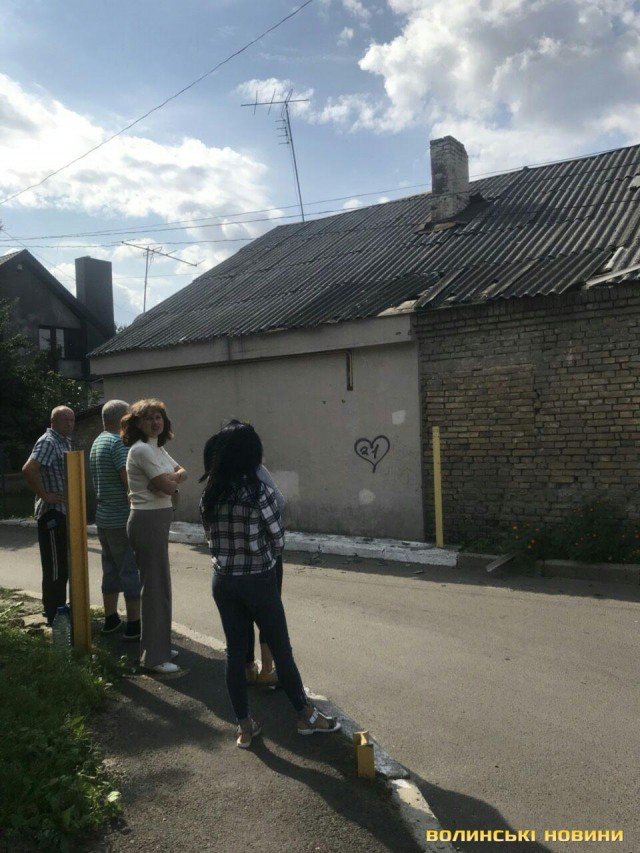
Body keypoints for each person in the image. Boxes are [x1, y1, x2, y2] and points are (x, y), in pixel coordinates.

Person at [200, 420, 340, 748]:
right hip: (258, 579)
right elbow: (277, 539)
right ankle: (305, 716)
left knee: (235, 653)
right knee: (281, 648)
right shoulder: (257, 491)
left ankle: (244, 726)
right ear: (252, 453)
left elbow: (208, 536)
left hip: (223, 580)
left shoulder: (211, 492)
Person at [201, 422, 285, 686]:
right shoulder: (256, 476)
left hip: (225, 570)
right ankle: (268, 669)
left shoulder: (214, 480)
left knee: (237, 623)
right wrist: (270, 552)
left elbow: (208, 531)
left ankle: (247, 669)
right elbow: (279, 511)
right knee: (269, 619)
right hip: (261, 565)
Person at [121, 399, 187, 675]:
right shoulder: (141, 450)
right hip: (147, 520)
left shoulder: (156, 448)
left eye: (158, 417)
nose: (155, 422)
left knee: (161, 585)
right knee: (154, 587)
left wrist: (168, 481)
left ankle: (160, 646)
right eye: (148, 418)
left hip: (157, 519)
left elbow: (182, 472)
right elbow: (167, 487)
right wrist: (167, 484)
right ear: (137, 423)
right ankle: (154, 657)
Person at [89, 400, 141, 639]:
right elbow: (128, 480)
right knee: (130, 570)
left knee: (110, 569)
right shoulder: (118, 443)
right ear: (121, 419)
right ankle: (134, 625)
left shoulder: (98, 442)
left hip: (103, 517)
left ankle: (110, 619)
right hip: (121, 517)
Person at [22, 406, 75, 624]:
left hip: (64, 512)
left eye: (72, 420)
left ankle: (59, 607)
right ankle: (54, 613)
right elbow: (29, 469)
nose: (69, 424)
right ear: (53, 421)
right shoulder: (48, 442)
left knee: (62, 564)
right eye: (65, 420)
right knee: (55, 566)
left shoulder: (65, 441)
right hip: (52, 514)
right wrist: (45, 495)